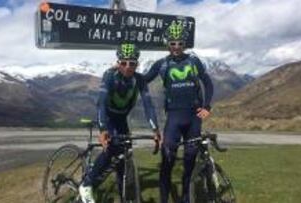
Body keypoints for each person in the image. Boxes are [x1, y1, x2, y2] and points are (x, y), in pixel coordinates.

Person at [79, 43, 161, 203]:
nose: (128, 67)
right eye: (124, 63)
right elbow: (101, 103)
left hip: (121, 119)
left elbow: (148, 105)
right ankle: (86, 185)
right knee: (111, 150)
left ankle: (123, 194)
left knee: (124, 154)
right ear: (118, 62)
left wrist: (155, 129)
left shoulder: (139, 80)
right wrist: (103, 129)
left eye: (132, 63)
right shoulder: (110, 75)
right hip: (108, 117)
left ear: (137, 64)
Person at [143, 22, 214, 203]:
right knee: (167, 161)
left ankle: (184, 198)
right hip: (174, 117)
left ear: (184, 44)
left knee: (190, 161)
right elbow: (142, 81)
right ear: (168, 44)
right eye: (173, 43)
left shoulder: (193, 61)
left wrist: (207, 107)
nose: (176, 47)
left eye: (180, 43)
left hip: (193, 118)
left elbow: (208, 83)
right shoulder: (161, 64)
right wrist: (120, 72)